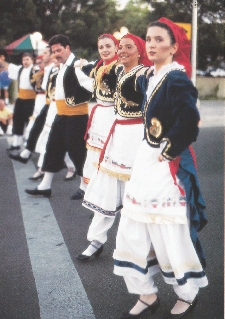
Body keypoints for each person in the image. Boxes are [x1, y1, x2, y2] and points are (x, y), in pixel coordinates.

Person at [113, 18, 208, 319]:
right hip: (145, 159)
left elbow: (189, 122)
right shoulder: (150, 76)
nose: (151, 44)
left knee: (168, 226)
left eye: (158, 40)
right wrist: (125, 58)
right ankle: (146, 292)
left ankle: (187, 293)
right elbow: (130, 87)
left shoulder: (177, 79)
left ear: (174, 46)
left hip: (168, 163)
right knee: (133, 225)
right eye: (148, 39)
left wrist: (166, 152)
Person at [76, 34, 152, 260]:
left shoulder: (145, 74)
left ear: (140, 51)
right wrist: (79, 64)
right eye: (120, 47)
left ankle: (134, 247)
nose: (122, 51)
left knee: (133, 193)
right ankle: (96, 241)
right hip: (116, 134)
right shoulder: (118, 70)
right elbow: (96, 68)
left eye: (129, 47)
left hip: (136, 137)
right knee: (105, 189)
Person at [25, 34, 93, 198]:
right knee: (52, 148)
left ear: (68, 48)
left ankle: (86, 187)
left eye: (59, 50)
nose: (56, 54)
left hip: (76, 116)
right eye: (54, 51)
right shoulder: (60, 67)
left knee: (77, 152)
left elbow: (90, 83)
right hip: (61, 114)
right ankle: (45, 185)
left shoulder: (79, 64)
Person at [71, 33, 119, 199]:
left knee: (109, 155)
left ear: (116, 47)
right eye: (101, 47)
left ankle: (108, 197)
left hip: (114, 115)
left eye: (108, 46)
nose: (104, 50)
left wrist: (81, 66)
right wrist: (81, 66)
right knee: (93, 152)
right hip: (99, 115)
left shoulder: (119, 68)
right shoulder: (99, 67)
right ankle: (90, 190)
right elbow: (90, 80)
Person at [8, 46, 55, 163]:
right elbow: (43, 86)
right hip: (45, 102)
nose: (41, 58)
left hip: (50, 102)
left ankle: (67, 163)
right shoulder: (43, 70)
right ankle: (27, 152)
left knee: (51, 130)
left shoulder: (52, 68)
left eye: (45, 53)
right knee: (34, 127)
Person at [6, 53, 36, 151]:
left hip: (31, 100)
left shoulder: (35, 70)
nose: (25, 62)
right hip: (20, 99)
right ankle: (16, 143)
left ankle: (29, 143)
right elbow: (9, 66)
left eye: (27, 59)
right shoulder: (20, 69)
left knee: (29, 121)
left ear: (32, 60)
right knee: (17, 120)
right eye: (23, 60)